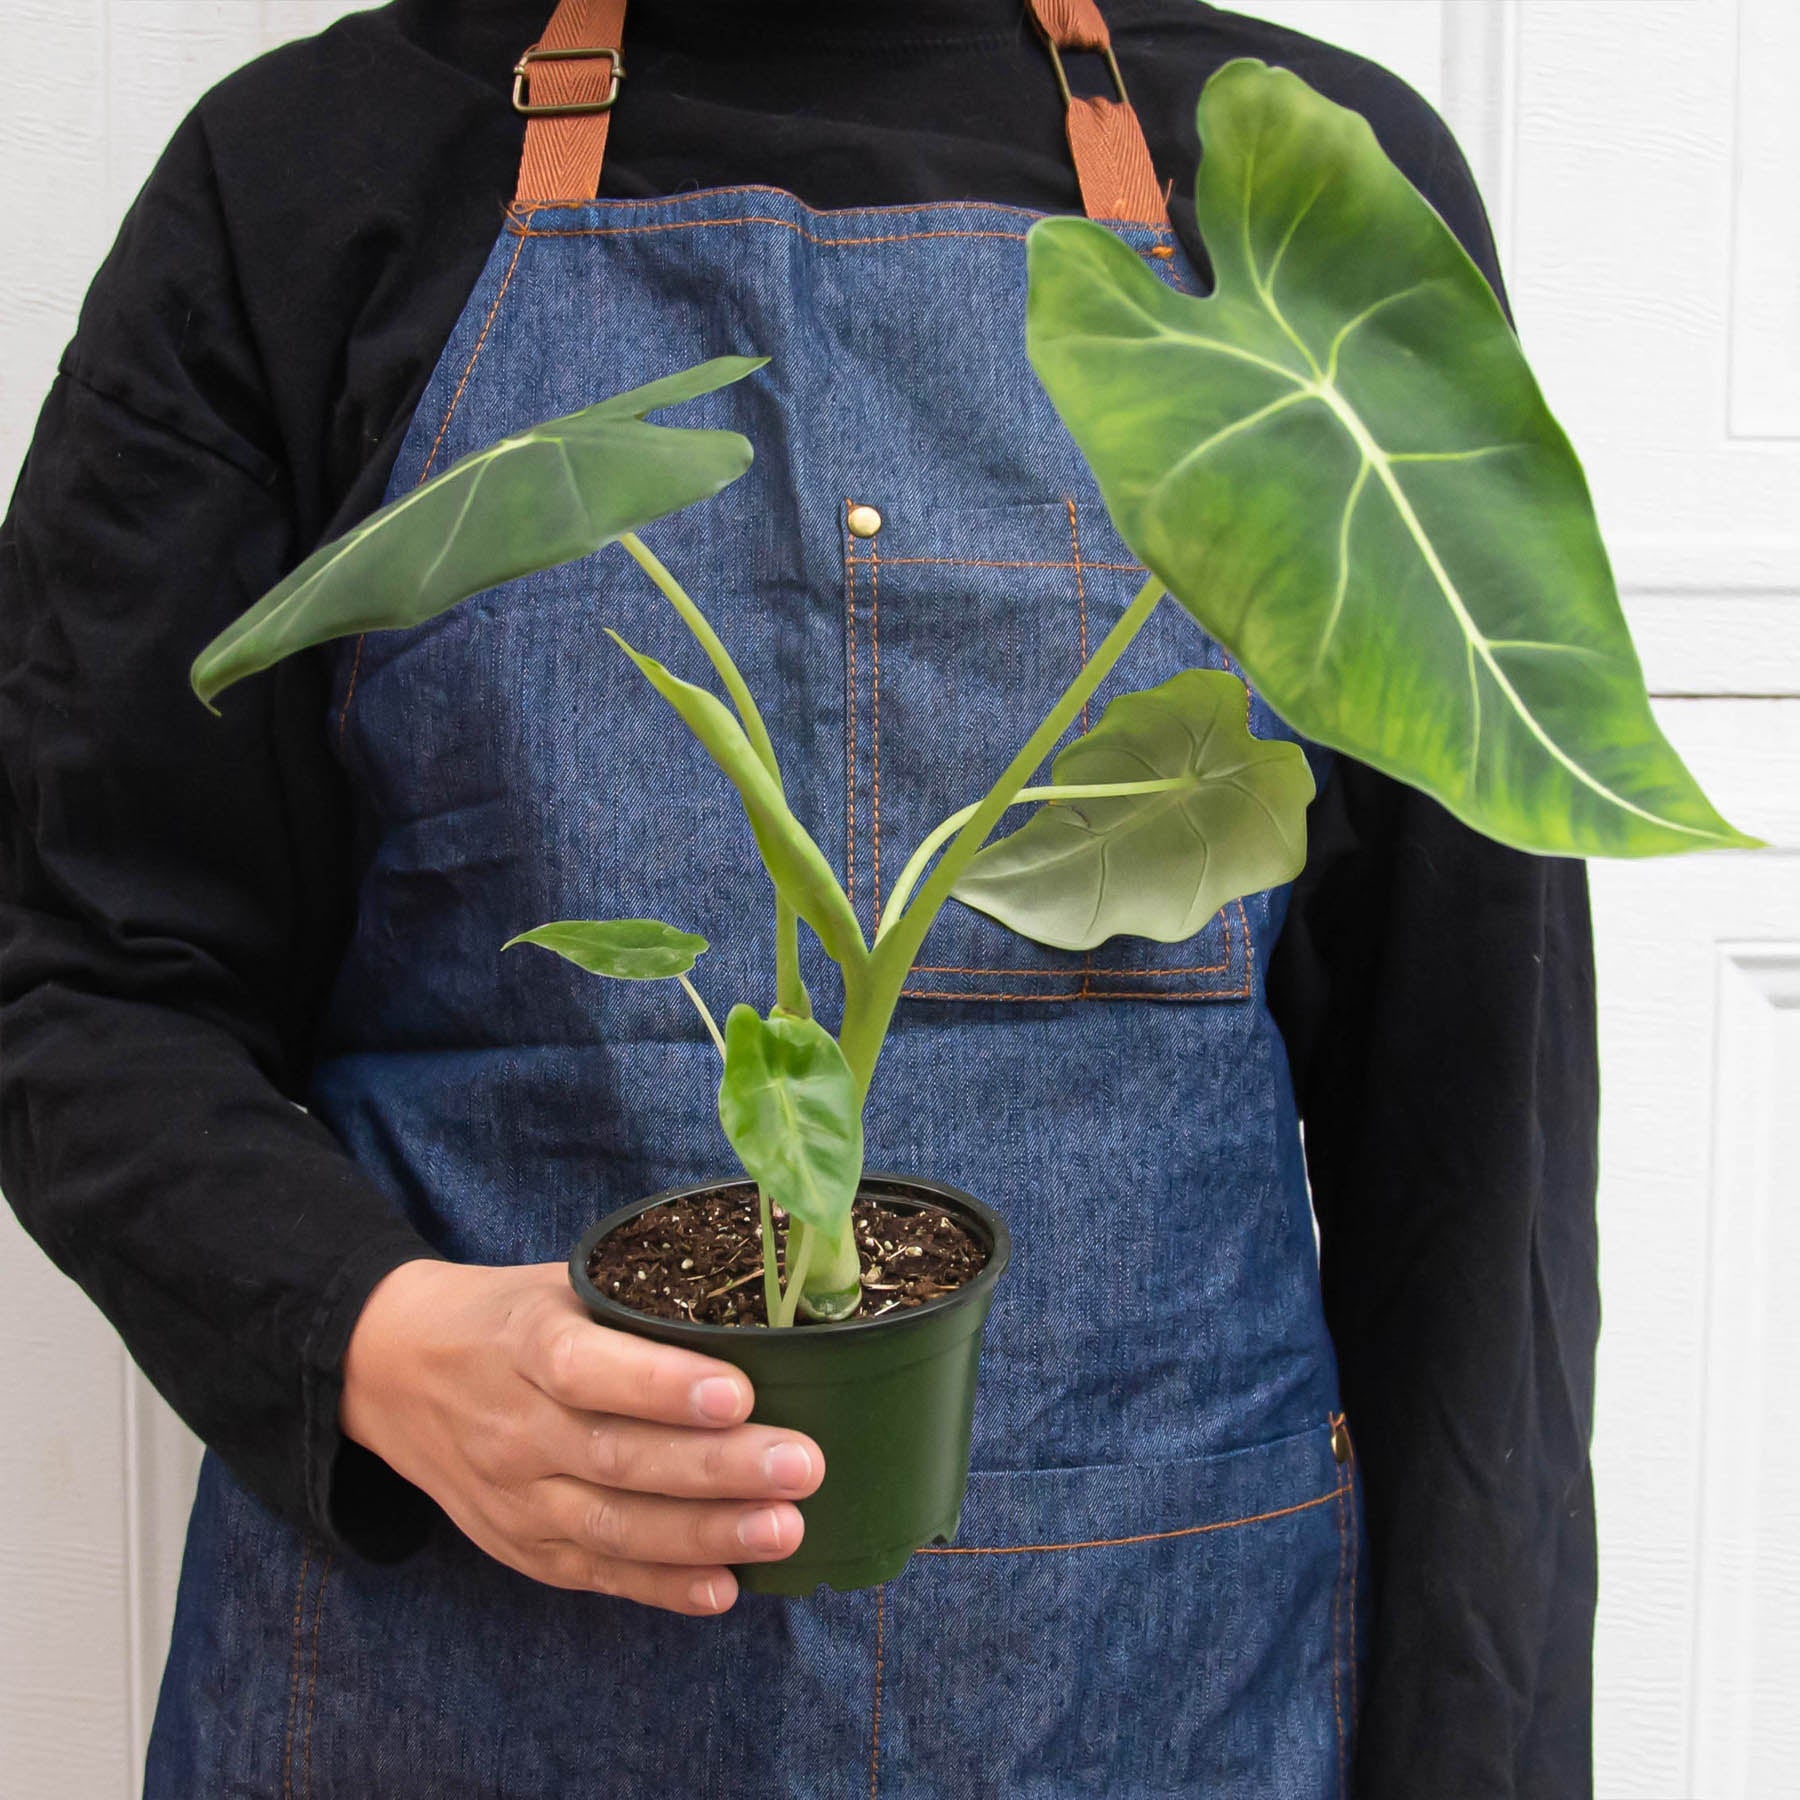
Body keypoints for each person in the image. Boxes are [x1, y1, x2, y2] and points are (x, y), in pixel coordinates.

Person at [0, 1, 1599, 1793]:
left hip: (1143, 1696)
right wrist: (370, 1336)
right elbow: (77, 966)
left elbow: (1473, 1167)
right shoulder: (314, 176)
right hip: (451, 1684)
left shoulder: (1283, 202)